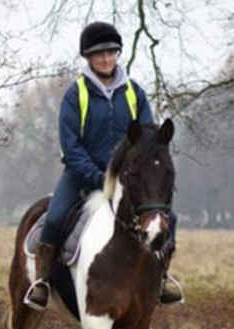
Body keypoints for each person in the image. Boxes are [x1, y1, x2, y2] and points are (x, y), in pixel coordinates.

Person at [24, 21, 184, 310]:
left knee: (168, 217)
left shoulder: (135, 92)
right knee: (57, 216)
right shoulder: (76, 95)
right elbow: (70, 147)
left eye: (111, 52)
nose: (106, 59)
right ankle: (43, 281)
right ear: (88, 58)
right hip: (82, 175)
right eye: (99, 54)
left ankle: (162, 278)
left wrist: (130, 178)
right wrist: (98, 177)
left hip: (127, 179)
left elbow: (148, 139)